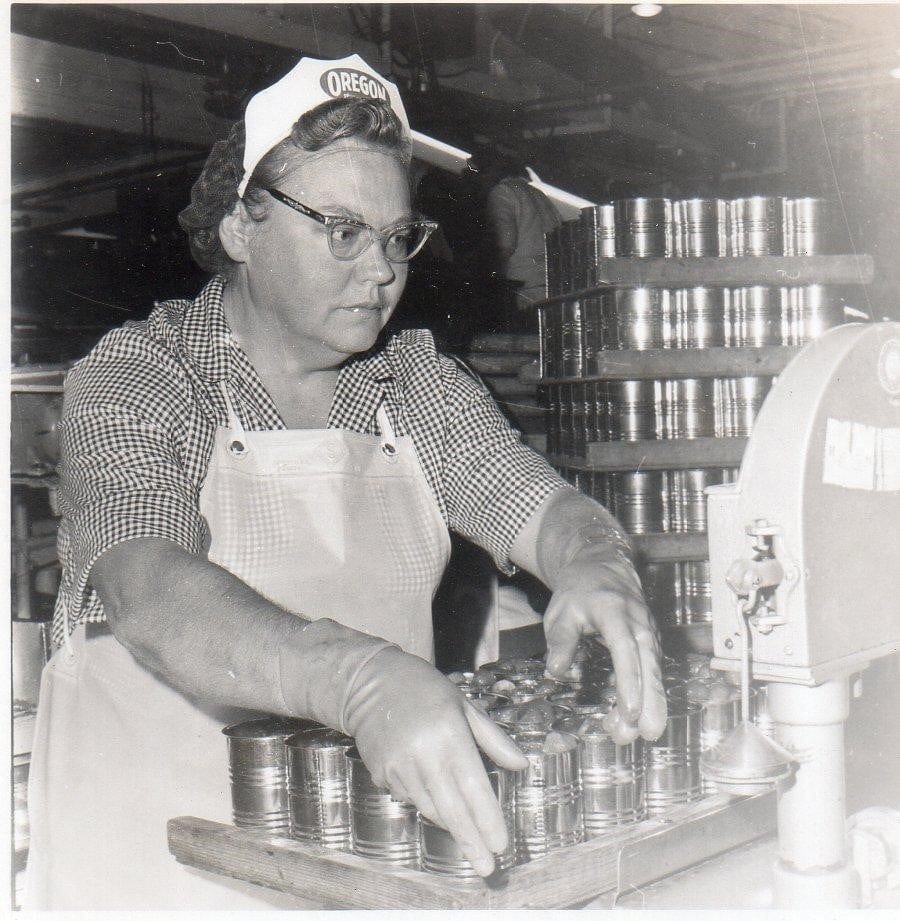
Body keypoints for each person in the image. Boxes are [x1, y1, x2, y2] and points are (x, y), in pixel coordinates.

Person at [24, 54, 666, 910]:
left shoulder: (414, 385)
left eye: (398, 236)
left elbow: (543, 507)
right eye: (342, 230)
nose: (382, 271)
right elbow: (149, 590)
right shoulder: (144, 373)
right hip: (148, 870)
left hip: (355, 866)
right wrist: (357, 681)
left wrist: (596, 561)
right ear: (240, 229)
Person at [475, 147, 563, 324]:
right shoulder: (539, 195)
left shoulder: (501, 192)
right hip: (552, 289)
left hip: (524, 293)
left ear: (491, 171)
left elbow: (505, 244)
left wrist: (485, 270)